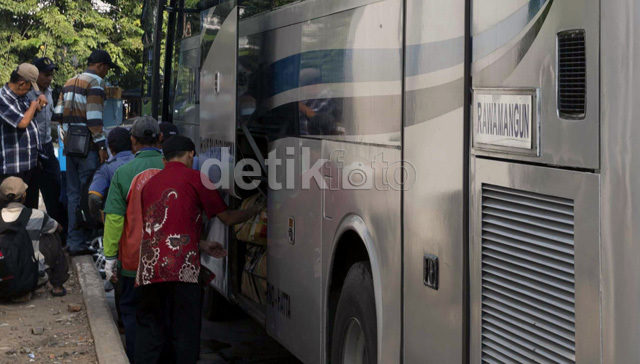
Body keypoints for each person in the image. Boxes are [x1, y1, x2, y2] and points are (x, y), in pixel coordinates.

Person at [134, 135, 261, 364]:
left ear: (165, 160)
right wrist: (258, 208)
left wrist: (201, 244)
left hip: (150, 268)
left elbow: (161, 229)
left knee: (151, 328)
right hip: (182, 268)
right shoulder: (197, 178)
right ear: (191, 154)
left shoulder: (150, 183)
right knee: (185, 330)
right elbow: (228, 218)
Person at [102, 116, 164, 362]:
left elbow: (115, 220)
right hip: (168, 261)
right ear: (160, 138)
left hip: (132, 262)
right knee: (163, 315)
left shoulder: (122, 173)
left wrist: (109, 258)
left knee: (133, 314)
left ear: (133, 142)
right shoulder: (173, 168)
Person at [54, 49, 117, 256]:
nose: (106, 73)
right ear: (101, 66)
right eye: (107, 69)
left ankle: (74, 241)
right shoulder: (96, 83)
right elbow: (94, 119)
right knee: (88, 193)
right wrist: (101, 146)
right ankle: (86, 239)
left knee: (73, 195)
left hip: (70, 146)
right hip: (88, 147)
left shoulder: (70, 81)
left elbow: (58, 114)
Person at [0, 177, 68, 302]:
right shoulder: (37, 215)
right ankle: (57, 286)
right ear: (24, 196)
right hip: (31, 278)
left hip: (3, 278)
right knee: (52, 234)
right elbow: (59, 228)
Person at [28, 57, 67, 236]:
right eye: (46, 75)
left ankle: (58, 233)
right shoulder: (26, 94)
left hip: (46, 147)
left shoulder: (51, 92)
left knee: (55, 189)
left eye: (51, 74)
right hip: (29, 149)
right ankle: (30, 235)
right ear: (35, 75)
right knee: (30, 193)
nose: (49, 78)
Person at [0, 64, 47, 208]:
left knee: (30, 209)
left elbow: (28, 113)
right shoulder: (3, 98)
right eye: (29, 86)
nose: (30, 90)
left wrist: (38, 105)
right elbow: (22, 122)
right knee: (12, 211)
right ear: (21, 83)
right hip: (13, 166)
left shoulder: (22, 96)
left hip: (30, 163)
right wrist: (33, 106)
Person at [88, 127, 133, 223]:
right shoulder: (142, 162)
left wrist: (100, 217)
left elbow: (94, 197)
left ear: (111, 149)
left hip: (116, 223)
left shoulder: (106, 169)